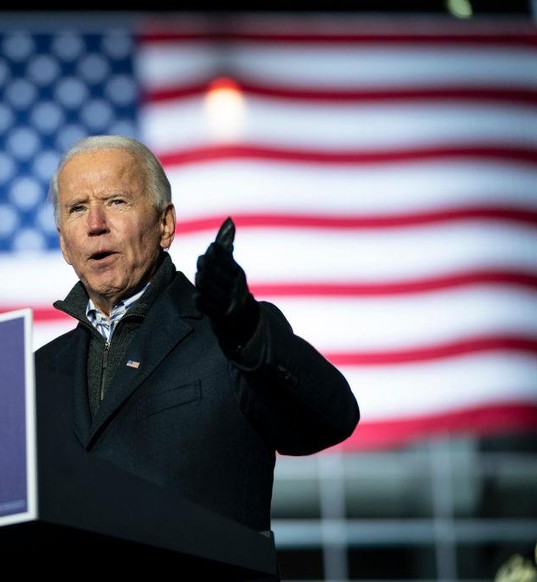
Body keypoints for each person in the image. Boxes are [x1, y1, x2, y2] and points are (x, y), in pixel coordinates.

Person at [34, 134, 360, 537]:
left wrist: (247, 332)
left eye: (116, 201)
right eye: (77, 208)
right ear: (65, 242)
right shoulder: (37, 372)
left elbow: (331, 420)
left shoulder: (232, 336)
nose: (96, 224)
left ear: (165, 224)